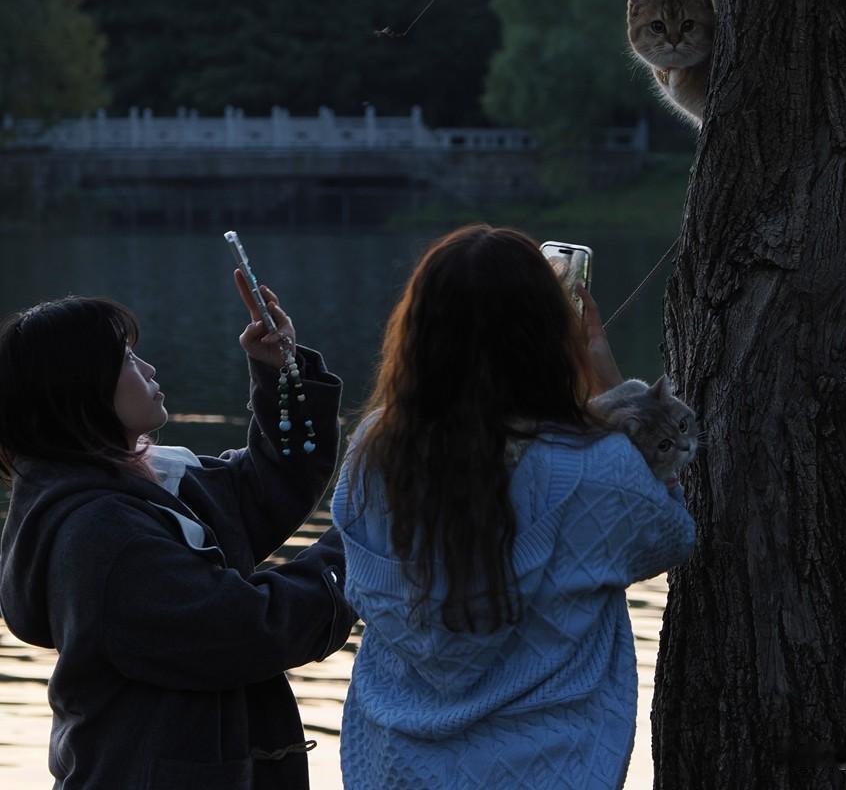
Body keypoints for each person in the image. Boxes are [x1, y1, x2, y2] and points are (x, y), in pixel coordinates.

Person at [331, 224, 695, 789]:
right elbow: (672, 532)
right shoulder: (596, 466)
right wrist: (604, 373)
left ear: (418, 331)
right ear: (549, 332)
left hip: (393, 765)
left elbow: (364, 584)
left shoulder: (374, 448)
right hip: (551, 768)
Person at [0, 272, 356, 790]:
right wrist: (362, 544)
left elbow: (266, 486)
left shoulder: (142, 483)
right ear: (78, 389)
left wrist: (283, 371)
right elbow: (248, 628)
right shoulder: (101, 537)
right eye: (125, 359)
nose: (147, 368)